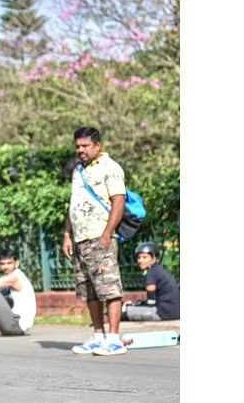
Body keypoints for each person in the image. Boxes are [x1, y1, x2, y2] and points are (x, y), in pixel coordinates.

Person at [63, 126, 128, 356]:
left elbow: (118, 202)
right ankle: (98, 335)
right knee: (89, 289)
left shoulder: (110, 168)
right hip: (80, 240)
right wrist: (67, 235)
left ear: (98, 145)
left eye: (85, 146)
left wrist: (106, 235)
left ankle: (113, 338)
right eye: (78, 146)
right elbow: (74, 204)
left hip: (100, 238)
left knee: (109, 287)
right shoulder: (78, 171)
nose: (80, 150)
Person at [122, 242, 179, 321]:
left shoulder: (152, 272)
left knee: (123, 311)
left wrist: (134, 304)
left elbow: (151, 302)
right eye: (139, 257)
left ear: (154, 258)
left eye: (144, 257)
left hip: (163, 313)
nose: (140, 260)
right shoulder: (159, 270)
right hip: (174, 312)